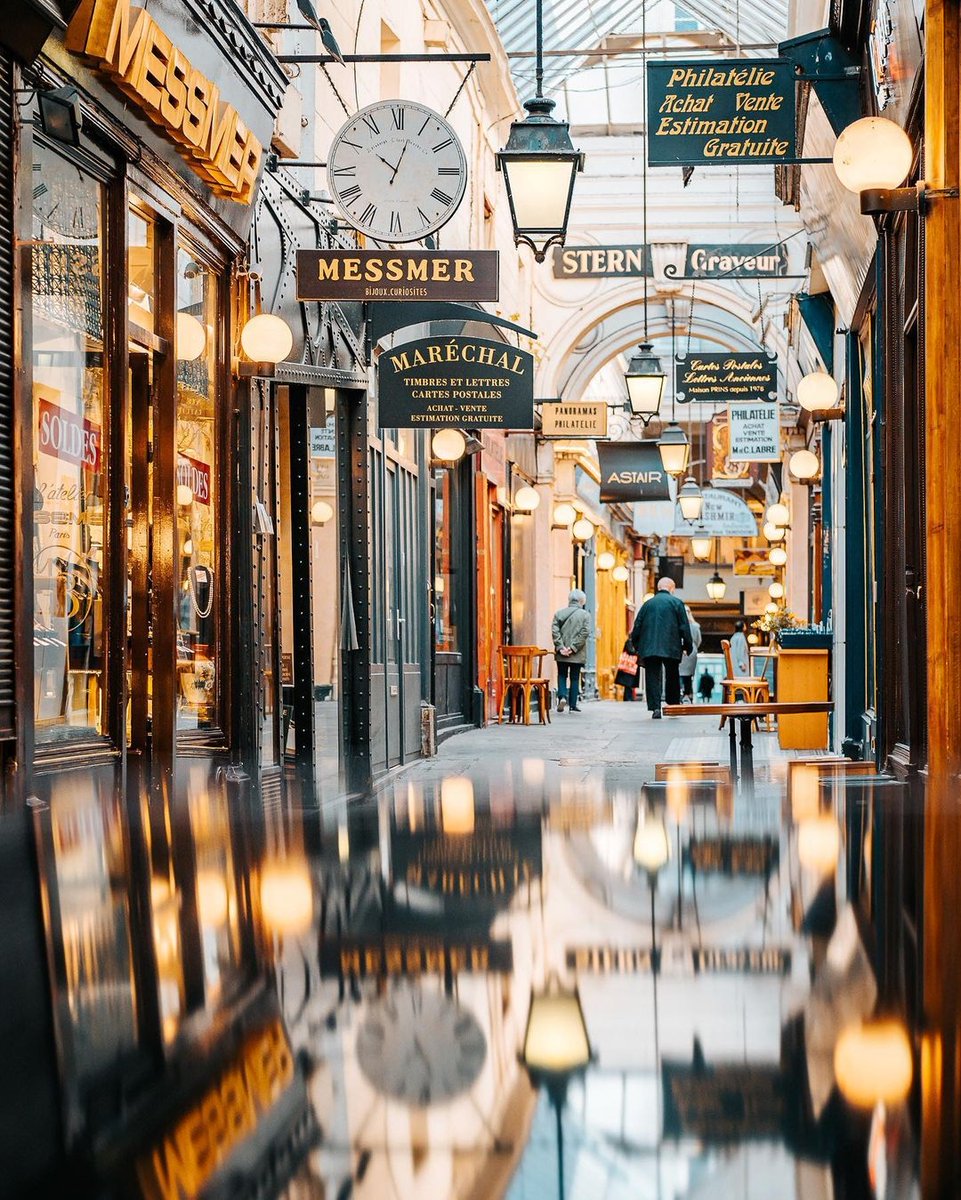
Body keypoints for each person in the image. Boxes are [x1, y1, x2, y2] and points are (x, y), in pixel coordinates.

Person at [630, 577, 692, 718]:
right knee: (672, 675)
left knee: (652, 675)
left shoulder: (647, 604)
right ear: (672, 588)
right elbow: (684, 627)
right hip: (671, 646)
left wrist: (637, 644)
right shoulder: (677, 603)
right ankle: (672, 704)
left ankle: (655, 707)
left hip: (650, 646)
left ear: (659, 588)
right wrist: (688, 646)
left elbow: (637, 625)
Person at [551, 588, 592, 712]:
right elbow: (585, 633)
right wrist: (573, 648)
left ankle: (562, 696)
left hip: (562, 652)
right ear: (581, 601)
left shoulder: (559, 613)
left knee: (562, 675)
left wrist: (560, 647)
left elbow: (555, 631)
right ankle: (573, 705)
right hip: (577, 653)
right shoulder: (585, 615)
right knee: (575, 677)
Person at [678, 605, 702, 702]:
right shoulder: (695, 626)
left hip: (680, 650)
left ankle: (681, 692)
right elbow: (698, 640)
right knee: (688, 675)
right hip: (692, 651)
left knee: (679, 673)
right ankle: (688, 693)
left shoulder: (678, 625)